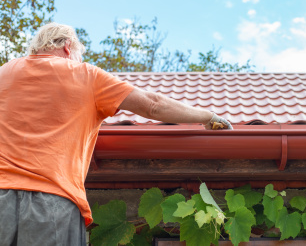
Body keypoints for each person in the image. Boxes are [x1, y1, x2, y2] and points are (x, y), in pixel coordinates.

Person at [0, 22, 232, 245]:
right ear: (68, 46)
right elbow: (153, 104)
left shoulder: (5, 72)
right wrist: (208, 116)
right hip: (52, 201)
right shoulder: (84, 74)